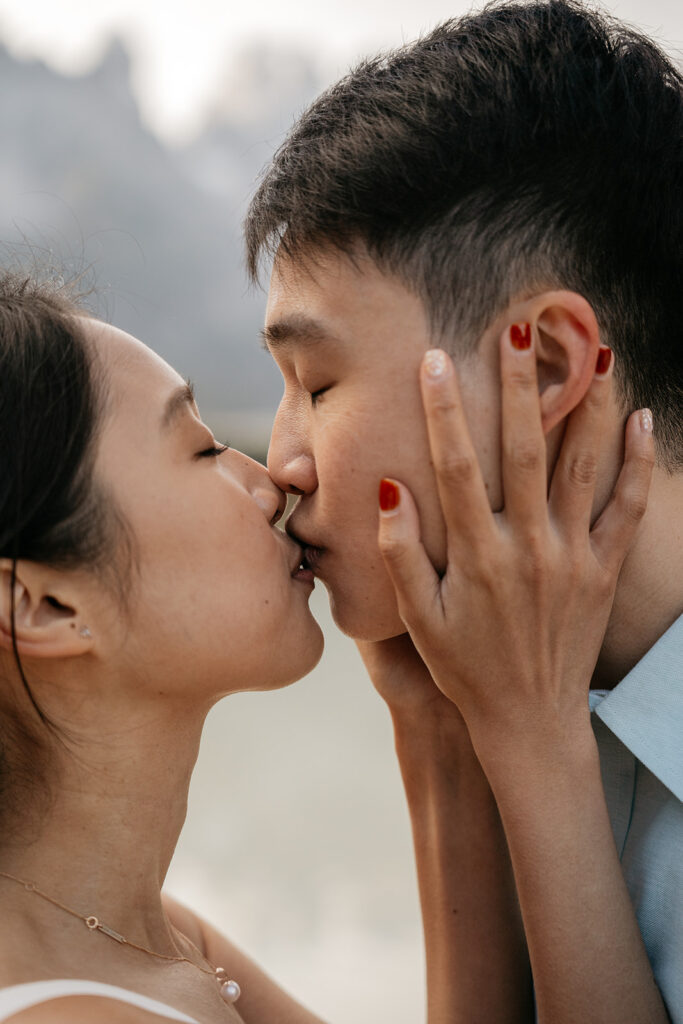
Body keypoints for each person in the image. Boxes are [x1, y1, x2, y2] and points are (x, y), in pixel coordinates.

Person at [0, 248, 653, 1024]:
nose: (271, 478)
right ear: (42, 605)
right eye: (203, 450)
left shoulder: (147, 937)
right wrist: (535, 733)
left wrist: (433, 720)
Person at [244, 1, 683, 1021]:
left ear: (543, 366)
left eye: (315, 383)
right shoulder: (512, 695)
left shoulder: (538, 724)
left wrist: (532, 756)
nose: (282, 463)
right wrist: (442, 730)